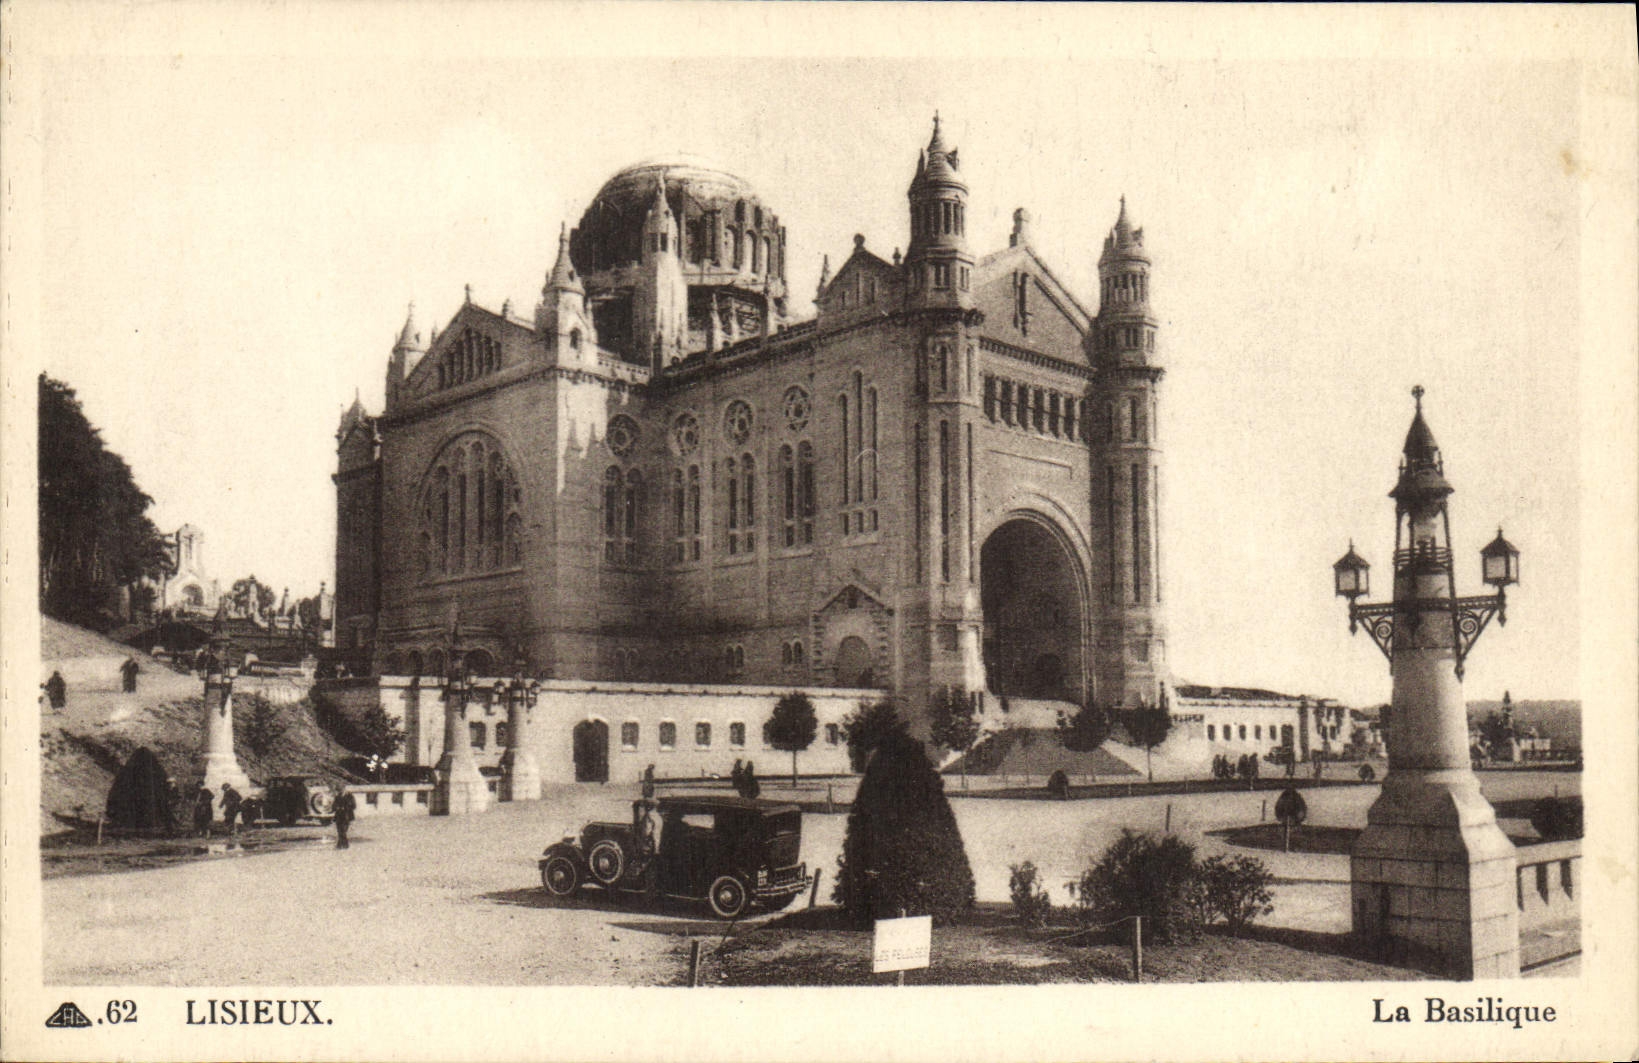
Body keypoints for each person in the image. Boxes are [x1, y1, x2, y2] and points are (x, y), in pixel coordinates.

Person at [332, 785, 357, 849]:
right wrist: (336, 808)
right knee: (339, 831)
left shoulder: (350, 796)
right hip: (338, 816)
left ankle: (342, 845)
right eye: (338, 791)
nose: (339, 792)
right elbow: (333, 806)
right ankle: (342, 845)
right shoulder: (337, 797)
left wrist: (345, 807)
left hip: (347, 816)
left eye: (340, 790)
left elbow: (354, 806)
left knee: (343, 831)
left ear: (344, 789)